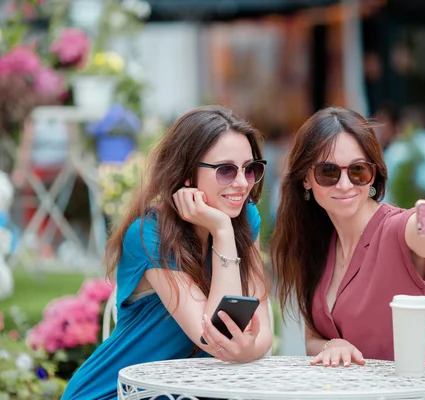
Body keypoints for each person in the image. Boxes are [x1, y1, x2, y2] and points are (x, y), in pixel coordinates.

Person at [62, 105, 273, 399]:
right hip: (116, 392)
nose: (241, 183)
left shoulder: (245, 219)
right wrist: (221, 231)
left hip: (184, 392)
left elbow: (262, 326)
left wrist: (247, 349)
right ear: (187, 174)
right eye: (225, 170)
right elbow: (215, 337)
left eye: (250, 169)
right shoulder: (149, 234)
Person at [271, 107, 425, 370]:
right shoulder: (316, 244)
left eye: (358, 171)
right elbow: (313, 338)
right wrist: (332, 344)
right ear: (306, 179)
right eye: (328, 172)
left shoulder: (398, 229)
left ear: (374, 174)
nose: (345, 184)